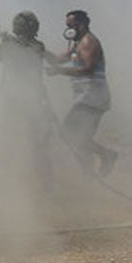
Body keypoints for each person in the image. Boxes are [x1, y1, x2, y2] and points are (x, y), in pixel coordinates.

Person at [0, 11, 54, 194]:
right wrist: (7, 39)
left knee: (8, 139)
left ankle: (7, 183)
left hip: (12, 100)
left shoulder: (9, 45)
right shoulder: (38, 46)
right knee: (38, 144)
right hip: (34, 100)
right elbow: (25, 47)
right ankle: (46, 185)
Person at [46, 10, 118, 177]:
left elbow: (87, 69)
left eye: (71, 26)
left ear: (82, 25)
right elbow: (57, 59)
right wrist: (37, 50)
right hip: (85, 99)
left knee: (73, 135)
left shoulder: (88, 42)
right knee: (75, 137)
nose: (68, 30)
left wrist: (59, 71)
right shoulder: (76, 43)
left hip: (93, 99)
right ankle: (90, 171)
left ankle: (106, 156)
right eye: (67, 26)